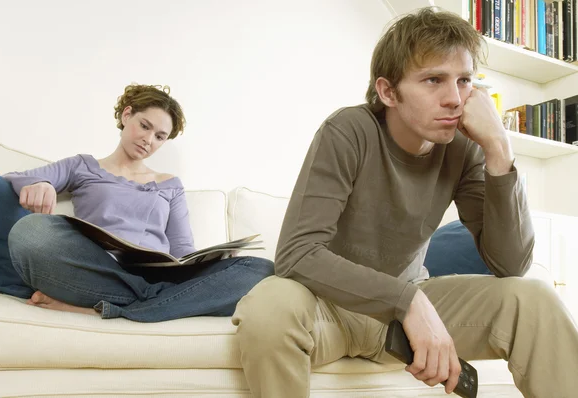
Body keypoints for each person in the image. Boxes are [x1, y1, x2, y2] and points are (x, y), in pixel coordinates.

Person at [232, 8, 578, 398]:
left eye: (464, 81)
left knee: (533, 299)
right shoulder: (348, 130)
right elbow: (296, 254)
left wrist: (499, 150)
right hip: (328, 306)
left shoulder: (466, 148)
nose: (454, 99)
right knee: (269, 307)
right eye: (434, 80)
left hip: (404, 314)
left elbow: (511, 264)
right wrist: (406, 300)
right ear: (388, 92)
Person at [0, 83, 274, 322]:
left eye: (160, 136)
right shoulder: (83, 166)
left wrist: (214, 260)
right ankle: (145, 305)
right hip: (98, 271)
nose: (149, 140)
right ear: (126, 115)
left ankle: (115, 309)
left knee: (260, 269)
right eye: (145, 126)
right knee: (32, 231)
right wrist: (39, 183)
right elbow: (6, 181)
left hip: (158, 279)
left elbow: (183, 251)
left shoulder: (170, 185)